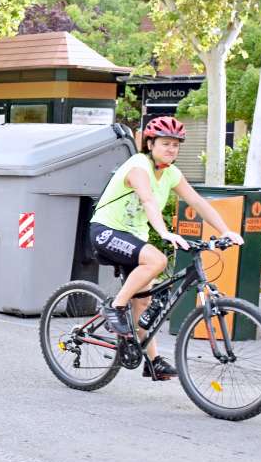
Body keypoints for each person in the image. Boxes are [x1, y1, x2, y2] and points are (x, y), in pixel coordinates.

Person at [90, 116, 244, 381]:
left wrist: (225, 230)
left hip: (133, 239)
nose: (171, 149)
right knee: (157, 260)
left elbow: (198, 202)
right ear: (150, 143)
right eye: (165, 143)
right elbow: (148, 200)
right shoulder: (138, 166)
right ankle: (114, 307)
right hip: (106, 231)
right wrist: (163, 233)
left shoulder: (171, 173)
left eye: (175, 145)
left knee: (145, 301)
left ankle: (152, 362)